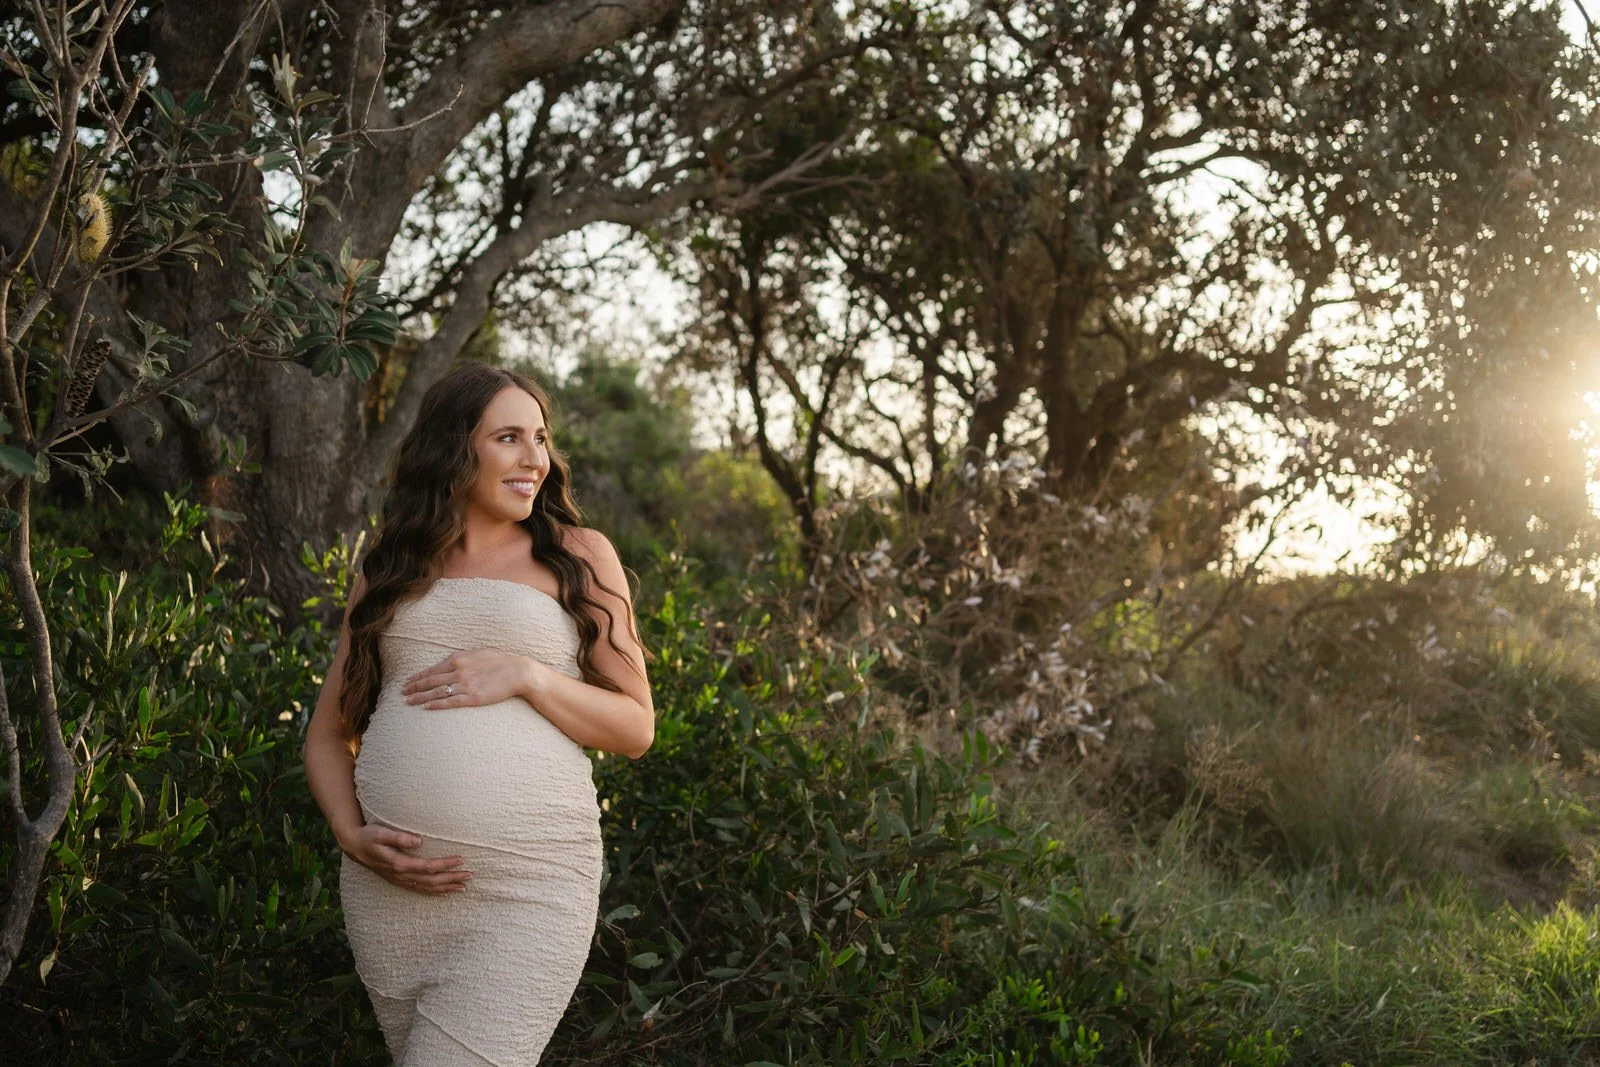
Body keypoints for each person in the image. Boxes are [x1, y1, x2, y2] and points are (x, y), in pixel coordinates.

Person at [302, 363, 655, 1065]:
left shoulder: (579, 558)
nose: (535, 458)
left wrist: (527, 675)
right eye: (509, 437)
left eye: (541, 438)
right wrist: (349, 832)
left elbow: (635, 726)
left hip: (529, 888)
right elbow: (326, 735)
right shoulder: (388, 570)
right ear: (454, 451)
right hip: (390, 895)